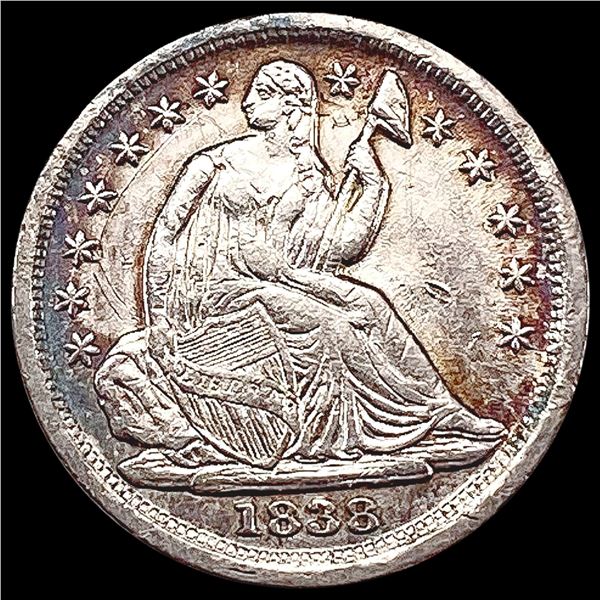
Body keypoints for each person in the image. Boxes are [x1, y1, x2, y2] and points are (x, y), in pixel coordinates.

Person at [95, 60, 505, 478]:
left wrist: (372, 184)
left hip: (279, 281)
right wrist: (160, 318)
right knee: (326, 323)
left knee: (370, 304)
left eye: (262, 93)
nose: (248, 100)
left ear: (292, 105)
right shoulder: (213, 163)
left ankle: (440, 410)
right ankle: (326, 436)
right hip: (217, 292)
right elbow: (164, 236)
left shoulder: (308, 173)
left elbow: (340, 249)